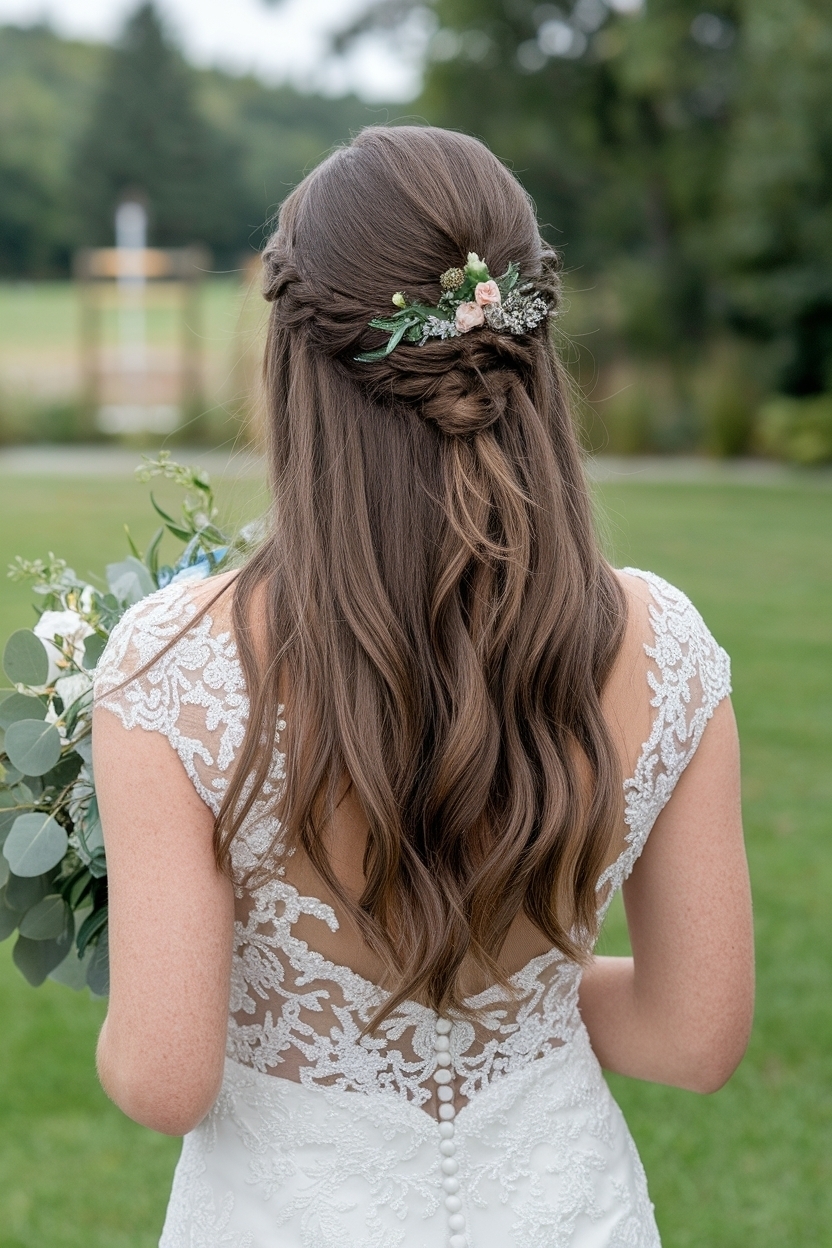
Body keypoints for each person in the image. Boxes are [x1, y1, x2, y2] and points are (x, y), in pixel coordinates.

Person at [92, 125, 754, 1248]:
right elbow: (693, 1038)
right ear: (527, 351)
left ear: (296, 368)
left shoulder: (174, 667)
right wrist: (520, 1005)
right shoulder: (664, 643)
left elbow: (165, 1078)